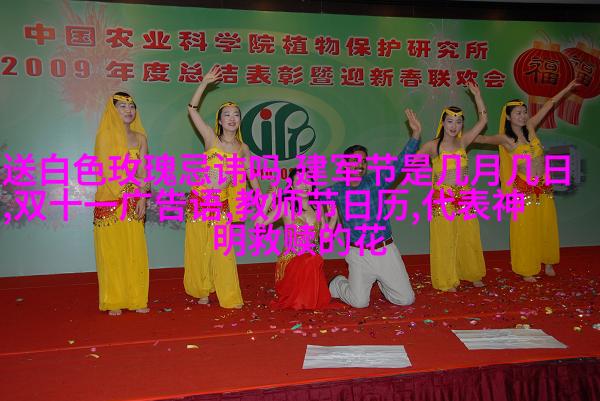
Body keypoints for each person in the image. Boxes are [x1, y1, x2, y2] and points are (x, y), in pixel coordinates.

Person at [474, 79, 579, 282]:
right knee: (525, 230)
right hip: (523, 191)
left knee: (547, 225)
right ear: (508, 116)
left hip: (543, 188)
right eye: (518, 113)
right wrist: (458, 133)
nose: (523, 116)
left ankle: (548, 261)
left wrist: (567, 88)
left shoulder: (530, 127)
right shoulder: (505, 139)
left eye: (524, 112)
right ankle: (526, 268)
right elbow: (481, 138)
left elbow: (549, 105)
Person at [184, 65, 261, 308]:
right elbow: (192, 109)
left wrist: (261, 198)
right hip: (199, 203)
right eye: (226, 114)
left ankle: (229, 295)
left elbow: (250, 175)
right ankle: (203, 290)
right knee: (201, 249)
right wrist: (204, 84)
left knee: (223, 250)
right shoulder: (210, 138)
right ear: (219, 119)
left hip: (221, 205)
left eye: (236, 114)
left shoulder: (243, 148)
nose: (231, 118)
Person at [327, 109, 421, 308]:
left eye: (363, 161)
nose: (360, 165)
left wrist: (415, 135)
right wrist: (279, 196)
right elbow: (309, 196)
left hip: (385, 250)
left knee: (406, 299)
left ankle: (386, 283)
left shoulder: (375, 181)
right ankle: (338, 284)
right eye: (355, 161)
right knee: (359, 303)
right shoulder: (337, 190)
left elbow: (399, 164)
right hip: (359, 254)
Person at [417, 82, 488, 292]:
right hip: (443, 198)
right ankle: (447, 278)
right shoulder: (433, 145)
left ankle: (472, 273)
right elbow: (408, 160)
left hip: (465, 196)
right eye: (450, 121)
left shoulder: (463, 141)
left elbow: (483, 120)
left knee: (469, 235)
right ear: (443, 122)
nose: (454, 126)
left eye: (458, 122)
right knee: (445, 239)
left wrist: (477, 95)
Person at [93, 92, 150, 316]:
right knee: (112, 252)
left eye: (131, 106)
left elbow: (144, 171)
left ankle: (137, 298)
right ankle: (113, 299)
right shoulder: (104, 137)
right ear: (113, 110)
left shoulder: (140, 138)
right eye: (123, 106)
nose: (128, 110)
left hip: (133, 201)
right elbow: (108, 172)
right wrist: (132, 188)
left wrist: (142, 197)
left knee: (135, 250)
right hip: (110, 200)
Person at [255, 168, 338, 310]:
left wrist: (334, 218)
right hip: (291, 261)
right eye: (299, 181)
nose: (304, 185)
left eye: (308, 181)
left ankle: (309, 297)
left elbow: (325, 237)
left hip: (311, 262)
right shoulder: (286, 206)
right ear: (292, 187)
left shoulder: (317, 208)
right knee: (311, 260)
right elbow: (259, 224)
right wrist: (268, 200)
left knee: (313, 259)